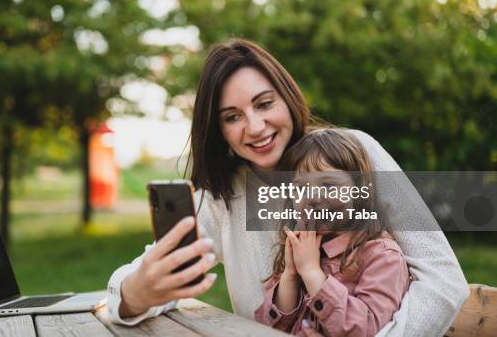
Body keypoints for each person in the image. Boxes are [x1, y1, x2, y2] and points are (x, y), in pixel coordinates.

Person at [106, 39, 469, 336]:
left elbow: (443, 279)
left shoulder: (353, 154)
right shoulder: (222, 199)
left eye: (265, 104)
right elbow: (137, 279)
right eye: (232, 117)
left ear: (287, 98)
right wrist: (138, 291)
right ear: (219, 132)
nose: (255, 126)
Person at [255, 129, 410, 336]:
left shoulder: (381, 255)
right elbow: (266, 327)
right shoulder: (299, 246)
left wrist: (311, 272)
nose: (313, 197)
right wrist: (290, 275)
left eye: (328, 184)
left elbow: (369, 329)